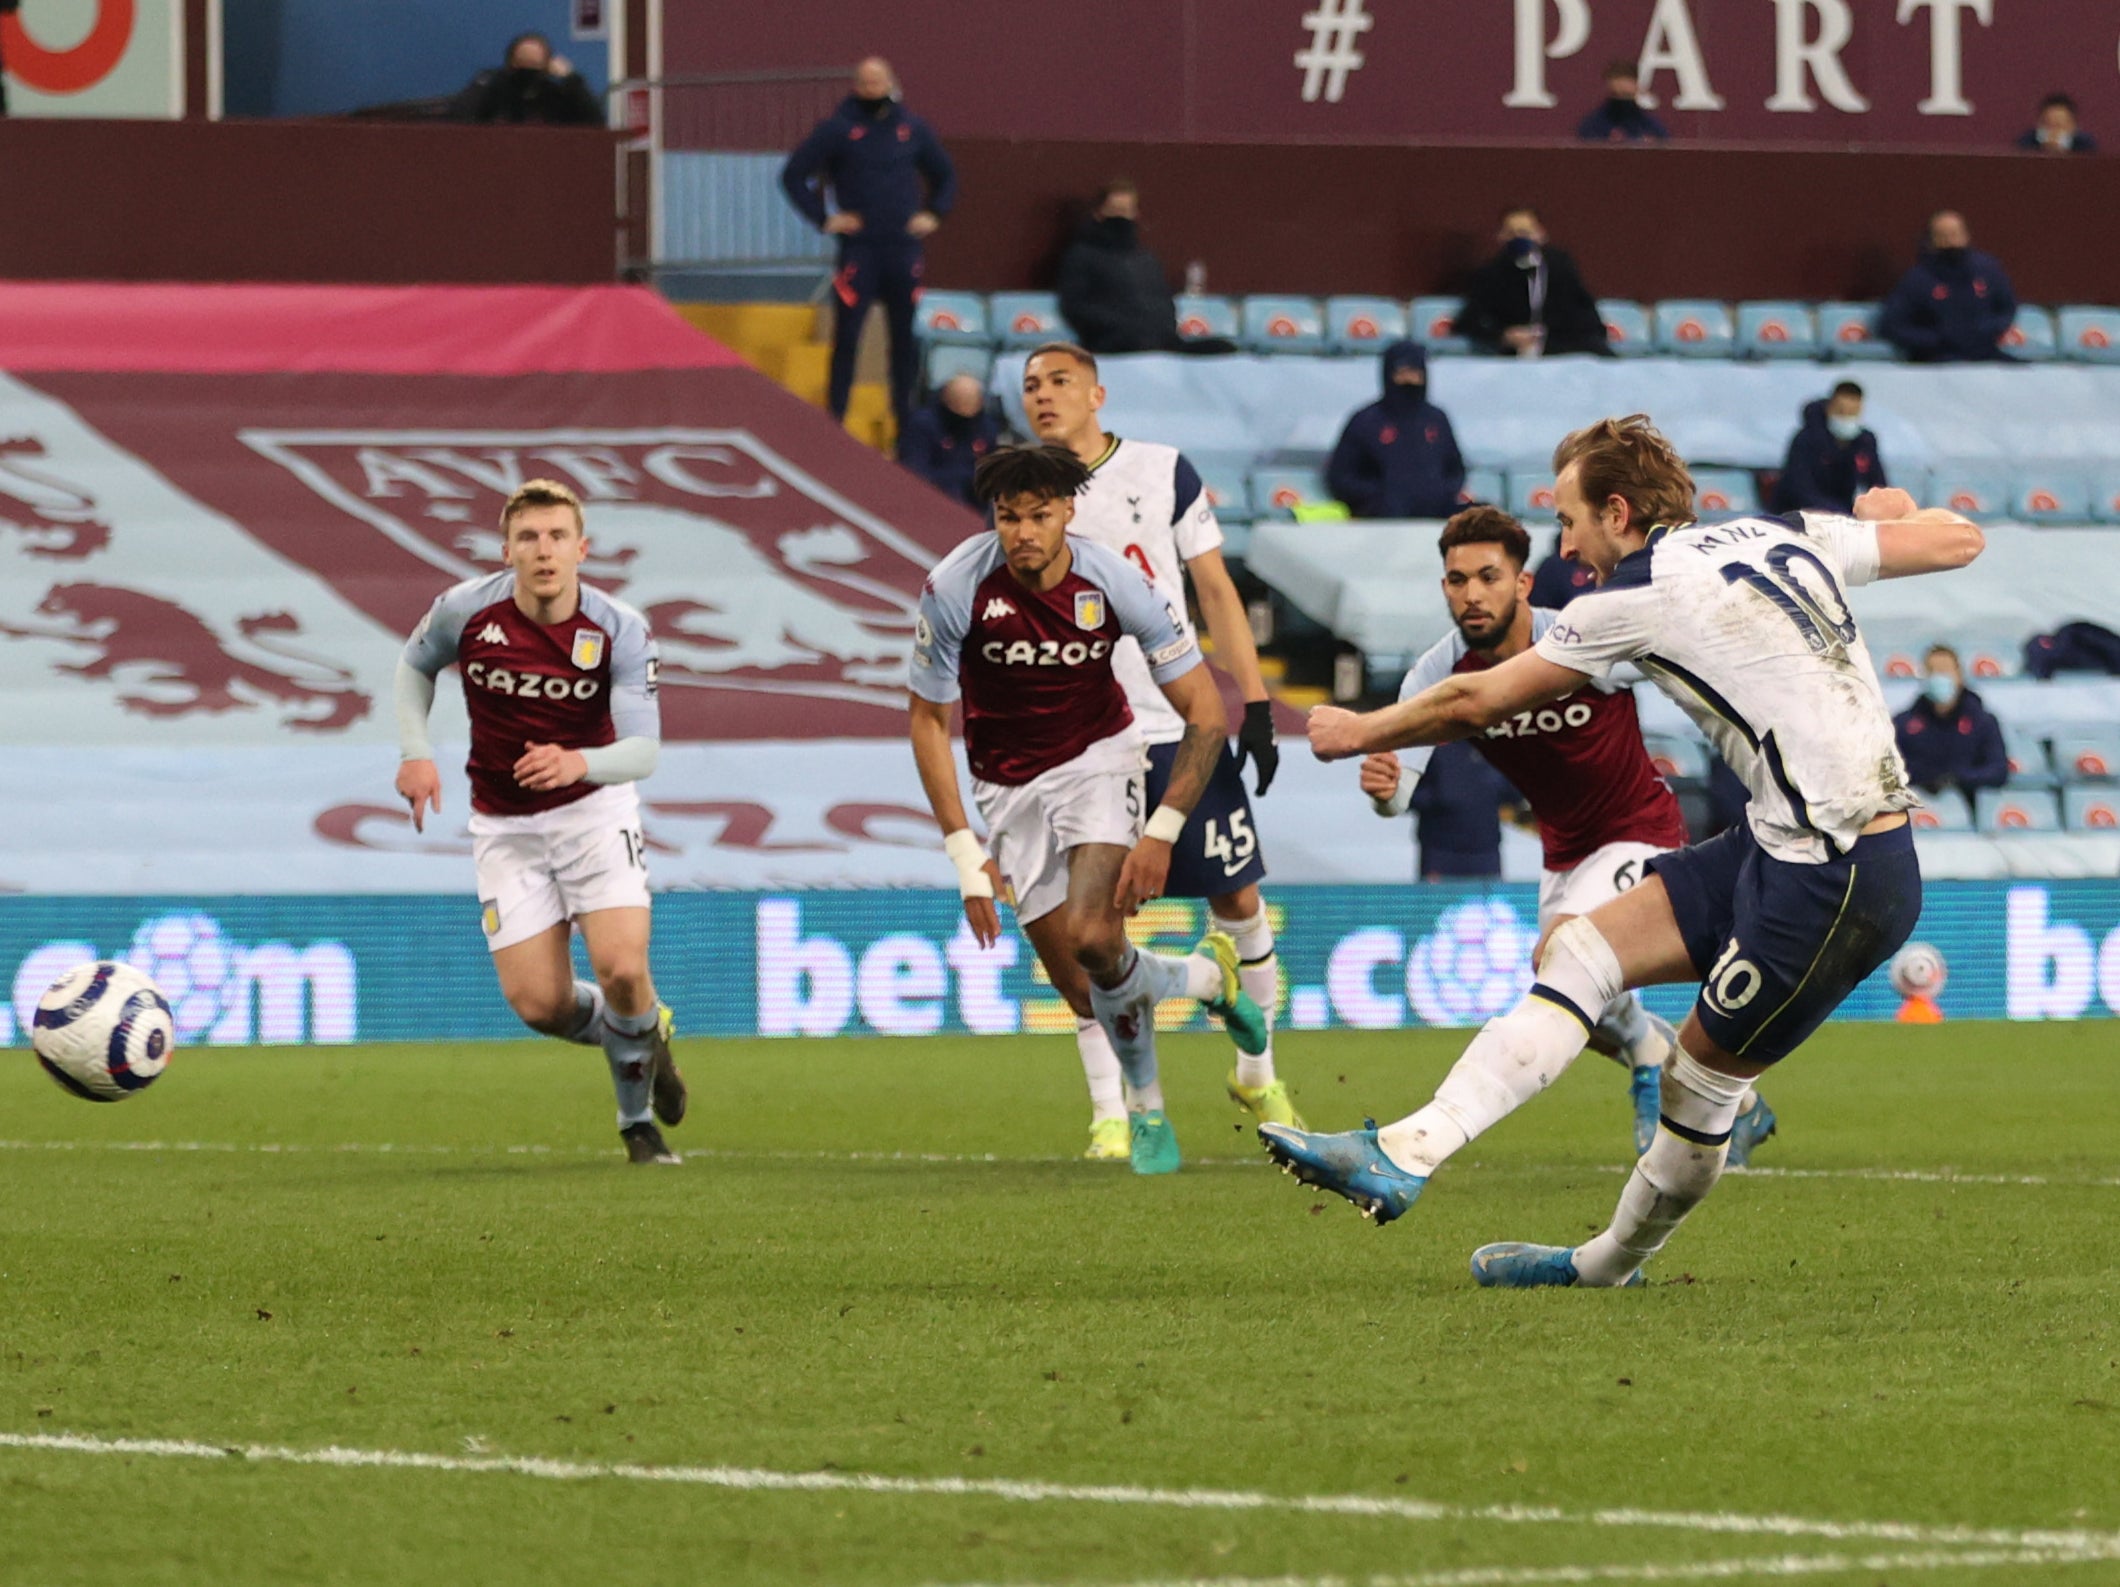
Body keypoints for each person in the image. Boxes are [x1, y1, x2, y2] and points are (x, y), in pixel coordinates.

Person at [1266, 415, 1984, 1288]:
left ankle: (1602, 1266)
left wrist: (1357, 728)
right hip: (1776, 842)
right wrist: (1891, 512)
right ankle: (1406, 1149)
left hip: (1839, 877)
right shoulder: (1777, 531)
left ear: (1616, 510)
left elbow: (1476, 700)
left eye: (1567, 519)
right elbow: (1959, 539)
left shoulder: (1633, 597)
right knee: (1580, 950)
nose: (1563, 544)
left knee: (1694, 1091)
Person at [1359, 506, 1778, 1160]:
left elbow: (1686, 667)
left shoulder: (1584, 638)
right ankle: (1724, 1096)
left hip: (1639, 827)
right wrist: (1385, 790)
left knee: (1566, 963)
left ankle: (1426, 1139)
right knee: (1598, 1016)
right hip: (1565, 853)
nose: (1472, 593)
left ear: (1522, 584)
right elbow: (1397, 792)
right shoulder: (1435, 676)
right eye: (1457, 579)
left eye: (1489, 576)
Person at [908, 445, 1270, 1175]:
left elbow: (1203, 708)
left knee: (1095, 936)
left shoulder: (1113, 580)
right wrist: (963, 852)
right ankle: (1206, 979)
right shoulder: (955, 585)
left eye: (1040, 515)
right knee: (1084, 984)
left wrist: (1162, 831)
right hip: (1005, 786)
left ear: (1069, 510)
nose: (1024, 533)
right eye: (1010, 517)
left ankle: (1146, 1110)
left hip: (1099, 760)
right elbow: (925, 719)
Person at [1018, 344, 1300, 1157]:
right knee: (1092, 930)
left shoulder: (1162, 469)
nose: (1043, 395)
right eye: (1031, 385)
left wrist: (1253, 704)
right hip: (1084, 741)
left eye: (1059, 381)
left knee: (1239, 902)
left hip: (1177, 725)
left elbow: (1214, 587)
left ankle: (1258, 1069)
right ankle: (1112, 1108)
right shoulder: (1025, 497)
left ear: (1098, 393)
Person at [395, 480, 687, 1166]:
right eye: (528, 538)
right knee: (540, 1005)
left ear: (582, 548)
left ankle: (637, 1120)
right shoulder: (466, 610)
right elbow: (415, 666)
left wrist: (578, 762)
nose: (543, 550)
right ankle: (644, 1032)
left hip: (592, 811)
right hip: (504, 824)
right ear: (508, 550)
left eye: (557, 536)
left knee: (620, 965)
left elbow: (644, 750)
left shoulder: (619, 627)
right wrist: (416, 752)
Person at [781, 58, 957, 433]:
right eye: (866, 82)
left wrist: (934, 214)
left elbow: (945, 176)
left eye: (879, 82)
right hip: (859, 249)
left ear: (892, 83)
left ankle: (904, 424)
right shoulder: (837, 129)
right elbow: (793, 175)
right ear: (856, 86)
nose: (873, 89)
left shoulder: (912, 129)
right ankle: (836, 420)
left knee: (904, 338)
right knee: (847, 336)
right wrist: (824, 218)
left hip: (902, 247)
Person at [1054, 180, 1236, 356]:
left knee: (1224, 349)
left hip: (1164, 343)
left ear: (1135, 213)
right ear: (1099, 213)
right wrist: (1120, 326)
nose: (1121, 217)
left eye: (1126, 211)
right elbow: (1074, 306)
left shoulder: (1146, 258)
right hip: (1113, 344)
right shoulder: (1081, 256)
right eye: (1115, 210)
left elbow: (1165, 304)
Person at [1325, 342, 1467, 520]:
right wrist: (1383, 496)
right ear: (1388, 374)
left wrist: (1438, 493)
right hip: (1381, 523)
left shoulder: (1437, 419)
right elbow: (1341, 476)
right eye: (1403, 373)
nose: (1410, 379)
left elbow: (1455, 470)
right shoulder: (1366, 421)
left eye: (1415, 373)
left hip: (1434, 519)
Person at [1455, 207, 1612, 359]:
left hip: (1560, 346)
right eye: (1511, 233)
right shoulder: (1490, 273)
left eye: (1525, 232)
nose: (1519, 238)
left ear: (1540, 234)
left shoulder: (1560, 267)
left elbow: (1586, 314)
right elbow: (1468, 320)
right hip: (1510, 352)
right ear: (1501, 236)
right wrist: (1505, 335)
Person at [1881, 211, 2017, 364]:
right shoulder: (1916, 279)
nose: (1950, 241)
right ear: (1932, 240)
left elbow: (2007, 308)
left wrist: (1984, 332)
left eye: (1955, 234)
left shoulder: (1988, 270)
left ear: (1966, 235)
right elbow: (1892, 325)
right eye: (1943, 235)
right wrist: (1936, 340)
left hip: (1985, 353)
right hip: (1935, 358)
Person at [1893, 644, 2008, 798]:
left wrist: (1957, 778)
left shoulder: (1983, 722)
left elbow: (1998, 771)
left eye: (1944, 670)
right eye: (1932, 671)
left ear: (1959, 675)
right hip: (1917, 804)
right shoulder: (1903, 724)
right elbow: (1892, 770)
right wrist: (1928, 778)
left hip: (1970, 803)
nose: (1938, 676)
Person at [1773, 382, 1887, 515]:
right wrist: (1838, 514)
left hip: (1842, 518)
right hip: (1796, 516)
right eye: (1841, 411)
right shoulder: (1805, 440)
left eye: (1852, 413)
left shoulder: (1865, 443)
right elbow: (1799, 489)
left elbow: (1878, 483)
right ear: (1829, 408)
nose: (1846, 418)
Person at [1407, 741, 1514, 881]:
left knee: (1486, 901)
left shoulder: (1498, 746)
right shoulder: (1430, 743)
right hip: (1440, 854)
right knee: (1438, 902)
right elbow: (1404, 794)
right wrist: (1439, 796)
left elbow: (1514, 794)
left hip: (1486, 854)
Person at [448, 32, 604, 126]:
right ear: (511, 62)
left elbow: (595, 121)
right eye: (523, 62)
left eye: (535, 64)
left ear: (547, 65)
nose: (529, 70)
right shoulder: (494, 87)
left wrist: (572, 79)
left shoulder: (556, 94)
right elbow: (463, 115)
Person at [898, 374, 999, 506]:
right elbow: (914, 472)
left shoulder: (986, 428)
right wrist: (960, 480)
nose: (964, 423)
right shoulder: (923, 425)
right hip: (931, 498)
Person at [1576, 60, 1669, 142]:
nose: (1622, 88)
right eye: (1618, 93)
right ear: (1609, 86)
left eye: (1626, 94)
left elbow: (1664, 149)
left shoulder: (1650, 127)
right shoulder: (1594, 125)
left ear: (1637, 87)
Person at [2016, 93, 2097, 154]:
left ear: (2074, 127)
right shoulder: (2026, 143)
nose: (2054, 131)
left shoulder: (2086, 147)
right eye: (2048, 124)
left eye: (2060, 125)